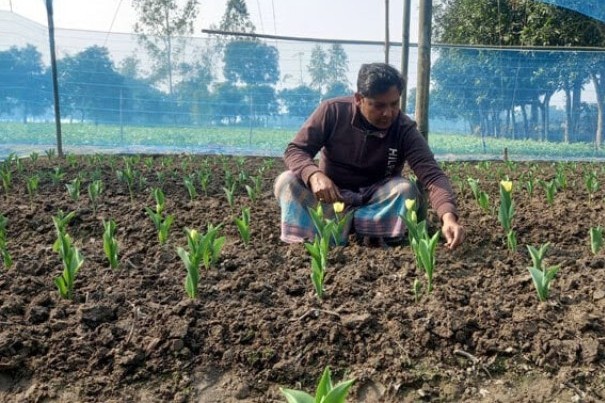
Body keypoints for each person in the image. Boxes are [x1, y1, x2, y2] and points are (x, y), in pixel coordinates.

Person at [274, 62, 464, 249]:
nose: (388, 113)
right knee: (287, 181)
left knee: (404, 189)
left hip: (375, 201)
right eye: (379, 105)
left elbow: (432, 175)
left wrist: (448, 217)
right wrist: (313, 174)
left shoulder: (403, 128)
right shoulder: (333, 111)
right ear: (359, 98)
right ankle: (348, 231)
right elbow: (295, 150)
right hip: (332, 199)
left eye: (394, 104)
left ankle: (352, 231)